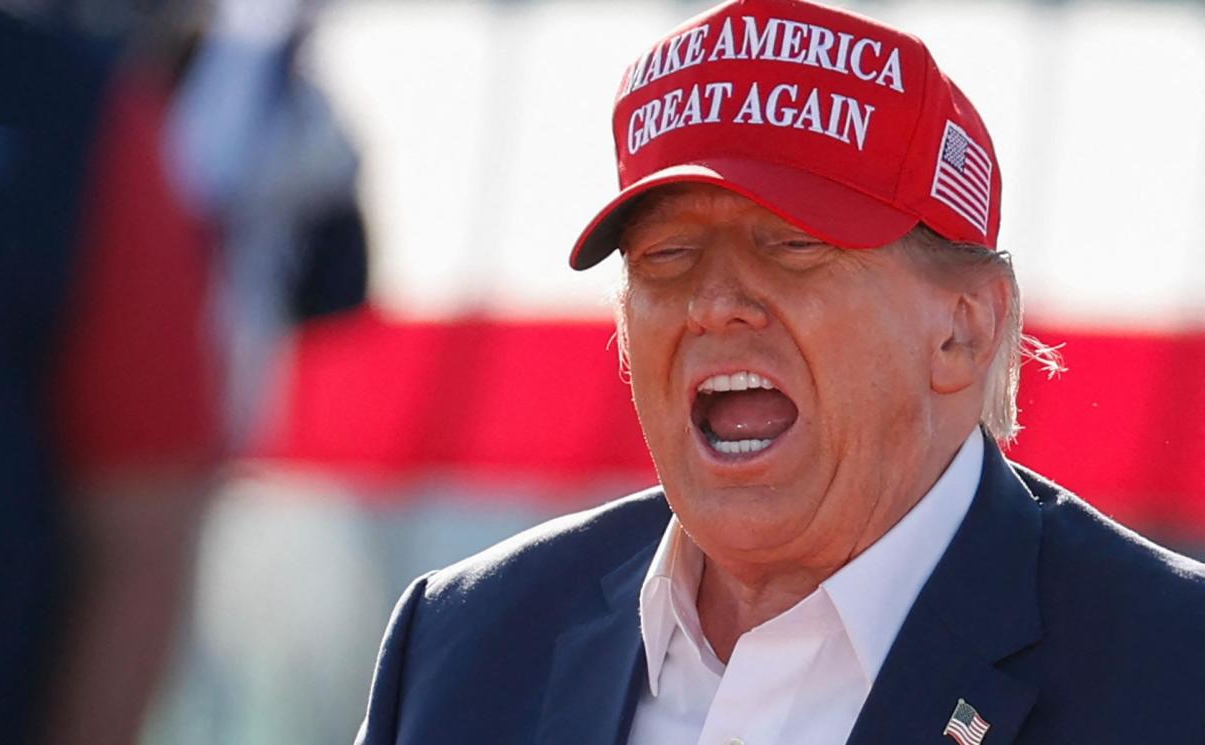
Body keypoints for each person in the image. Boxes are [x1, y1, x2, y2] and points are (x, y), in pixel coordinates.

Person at [353, 1, 1205, 743]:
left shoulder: (1176, 668)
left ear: (964, 328)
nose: (715, 304)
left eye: (794, 246)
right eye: (667, 255)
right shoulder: (460, 642)